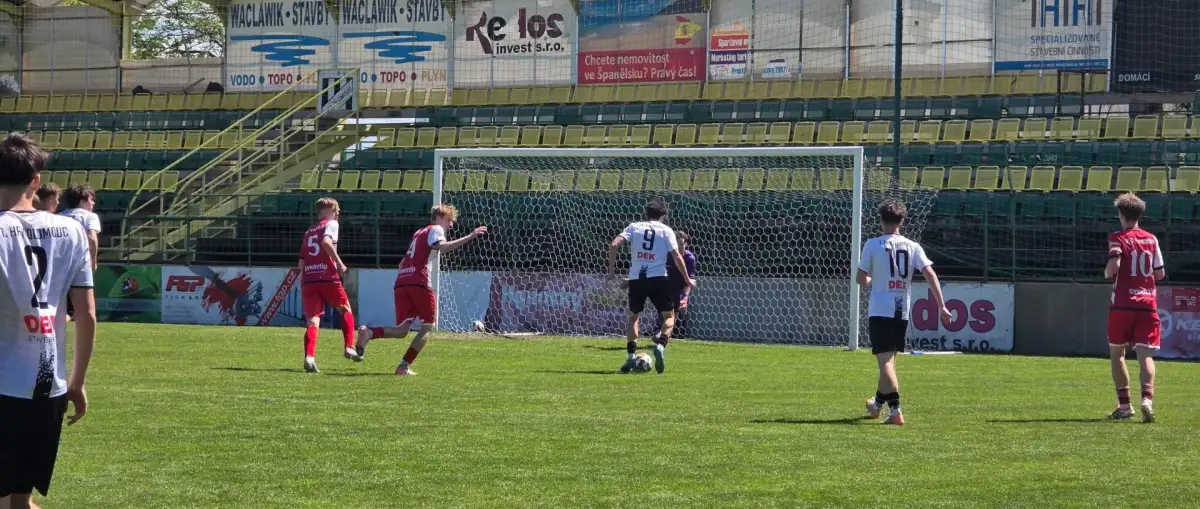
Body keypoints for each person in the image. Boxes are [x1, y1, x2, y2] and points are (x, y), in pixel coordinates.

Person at [0, 133, 96, 509]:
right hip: (47, 388)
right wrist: (77, 382)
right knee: (18, 503)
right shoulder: (72, 230)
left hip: (3, 386)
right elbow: (86, 314)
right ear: (36, 181)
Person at [356, 204, 486, 375]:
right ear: (439, 217)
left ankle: (370, 333)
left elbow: (402, 263)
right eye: (449, 220)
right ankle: (403, 367)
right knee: (427, 327)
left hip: (402, 282)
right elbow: (442, 247)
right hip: (419, 282)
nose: (451, 225)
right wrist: (470, 236)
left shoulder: (418, 233)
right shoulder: (436, 229)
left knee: (402, 330)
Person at [857, 200, 951, 425]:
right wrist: (942, 305)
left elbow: (860, 278)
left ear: (881, 221)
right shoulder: (913, 246)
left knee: (885, 363)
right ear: (902, 221)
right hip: (902, 310)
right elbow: (930, 274)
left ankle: (895, 411)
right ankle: (877, 404)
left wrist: (873, 281)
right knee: (889, 361)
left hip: (881, 309)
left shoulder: (872, 244)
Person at [608, 200, 695, 374]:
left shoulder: (634, 227)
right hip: (658, 278)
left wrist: (611, 270)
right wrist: (687, 279)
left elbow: (614, 245)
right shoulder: (666, 230)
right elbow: (677, 257)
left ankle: (631, 357)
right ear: (663, 215)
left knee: (634, 317)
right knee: (669, 316)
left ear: (646, 213)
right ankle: (661, 345)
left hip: (637, 279)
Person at [1104, 192, 1165, 423]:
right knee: (1145, 355)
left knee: (1117, 354)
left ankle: (1124, 406)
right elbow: (1159, 273)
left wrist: (1107, 272)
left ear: (1121, 215)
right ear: (1140, 215)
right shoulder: (1151, 239)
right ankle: (1147, 400)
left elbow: (1114, 265)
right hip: (1147, 304)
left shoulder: (1117, 237)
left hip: (1122, 304)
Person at [297, 197, 357, 373]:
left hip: (309, 279)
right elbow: (326, 242)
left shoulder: (309, 231)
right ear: (327, 210)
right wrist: (339, 263)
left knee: (313, 319)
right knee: (345, 308)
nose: (338, 214)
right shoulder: (331, 224)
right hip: (327, 275)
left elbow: (301, 262)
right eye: (336, 210)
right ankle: (348, 346)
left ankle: (309, 357)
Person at [654, 230, 696, 341]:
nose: (680, 247)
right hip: (665, 287)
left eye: (682, 244)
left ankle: (663, 338)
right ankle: (659, 332)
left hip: (679, 289)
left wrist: (685, 298)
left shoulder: (689, 258)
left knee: (675, 314)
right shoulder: (667, 255)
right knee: (665, 312)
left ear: (686, 244)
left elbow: (690, 280)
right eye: (677, 244)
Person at [58, 184, 99, 272]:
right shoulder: (90, 216)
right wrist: (93, 262)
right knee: (83, 286)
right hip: (81, 263)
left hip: (60, 262)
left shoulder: (58, 216)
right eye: (91, 199)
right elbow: (92, 238)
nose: (93, 203)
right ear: (81, 201)